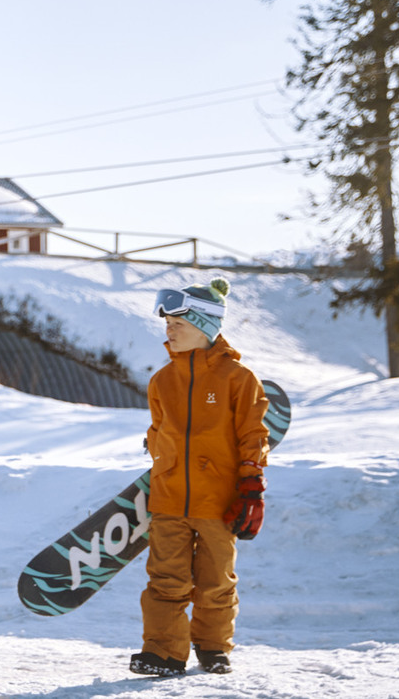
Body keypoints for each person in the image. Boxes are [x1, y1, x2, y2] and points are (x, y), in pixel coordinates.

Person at [130, 278, 269, 677]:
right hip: (169, 498)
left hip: (218, 500)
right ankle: (162, 653)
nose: (168, 330)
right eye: (167, 324)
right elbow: (160, 434)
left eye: (178, 324)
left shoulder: (238, 378)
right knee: (164, 581)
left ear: (204, 325)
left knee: (215, 581)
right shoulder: (162, 381)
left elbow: (253, 435)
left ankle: (213, 647)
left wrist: (251, 487)